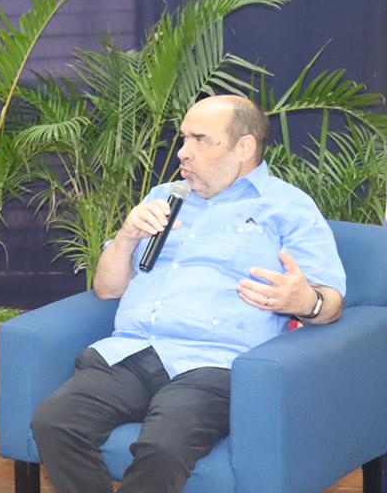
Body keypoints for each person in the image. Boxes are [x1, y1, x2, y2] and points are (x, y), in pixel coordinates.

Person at [31, 95, 346, 493]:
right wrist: (127, 237)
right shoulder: (164, 196)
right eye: (183, 138)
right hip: (132, 351)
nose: (183, 152)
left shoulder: (288, 207)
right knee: (54, 422)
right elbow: (107, 289)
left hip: (215, 364)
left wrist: (306, 301)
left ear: (243, 147)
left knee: (162, 446)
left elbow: (332, 303)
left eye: (200, 140)